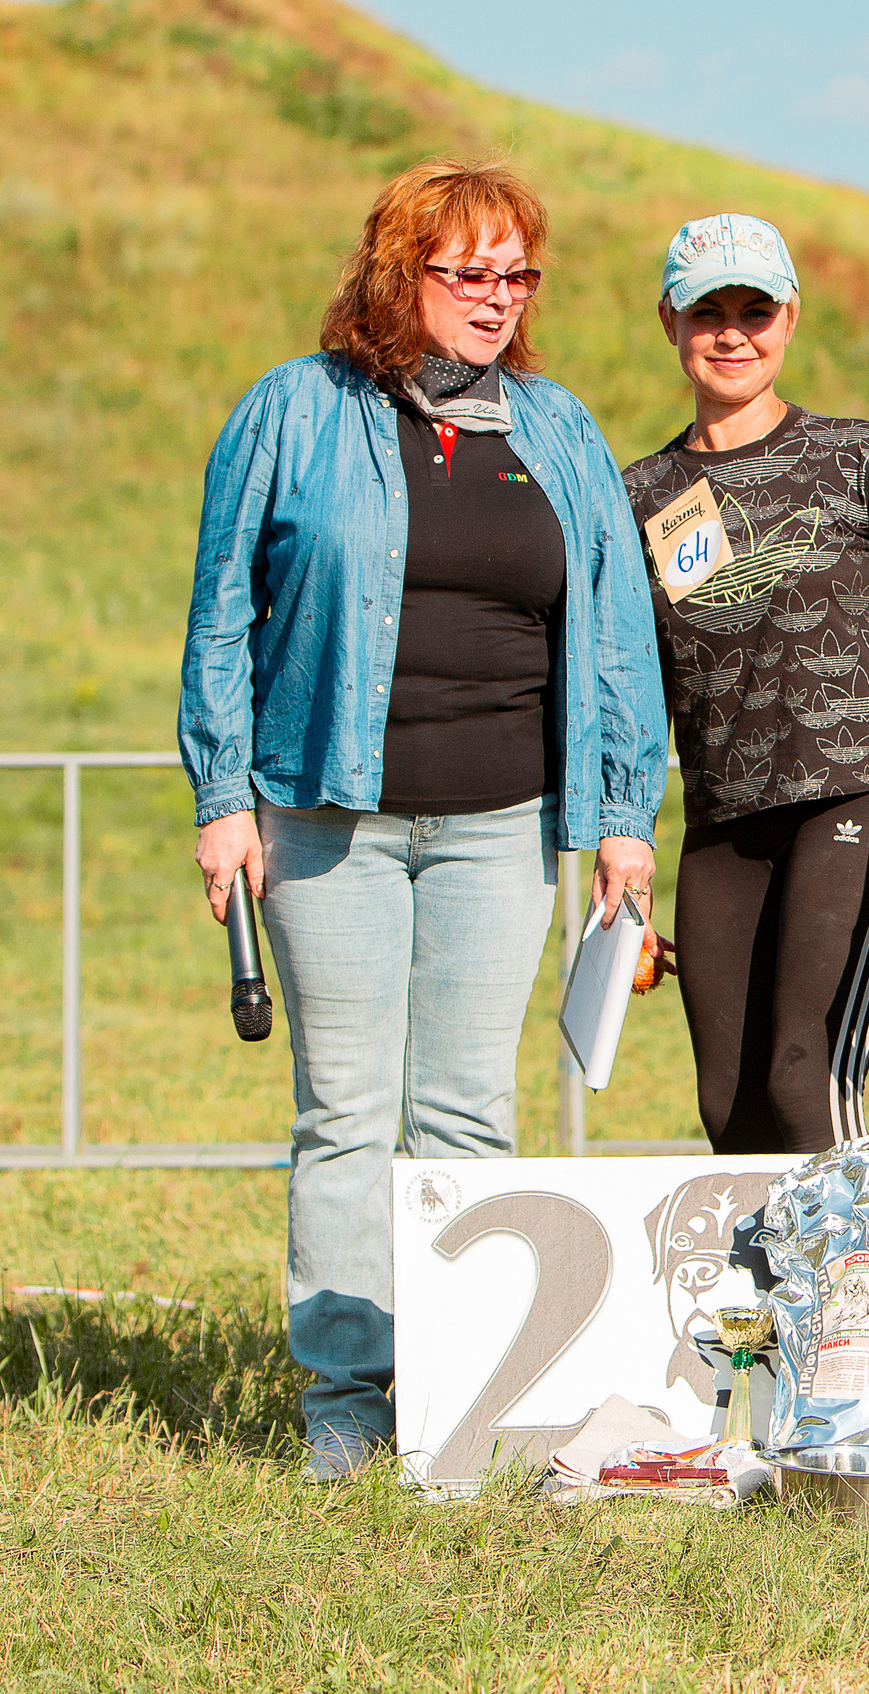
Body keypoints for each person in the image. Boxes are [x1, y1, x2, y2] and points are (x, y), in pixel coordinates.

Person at [178, 157, 666, 1483]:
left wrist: (625, 814)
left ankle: (462, 1395)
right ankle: (345, 1390)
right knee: (346, 1105)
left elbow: (615, 631)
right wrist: (223, 795)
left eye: (519, 274)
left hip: (503, 821)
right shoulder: (295, 409)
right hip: (324, 814)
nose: (497, 297)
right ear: (403, 276)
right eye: (469, 271)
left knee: (466, 1108)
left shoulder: (558, 429)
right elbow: (224, 608)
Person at [621, 214, 869, 1152]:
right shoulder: (637, 495)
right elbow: (629, 694)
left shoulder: (863, 457)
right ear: (668, 321)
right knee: (732, 1103)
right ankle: (785, 1305)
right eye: (707, 310)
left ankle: (860, 1300)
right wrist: (621, 878)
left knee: (807, 1071)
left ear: (789, 319)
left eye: (755, 309)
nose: (731, 332)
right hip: (724, 820)